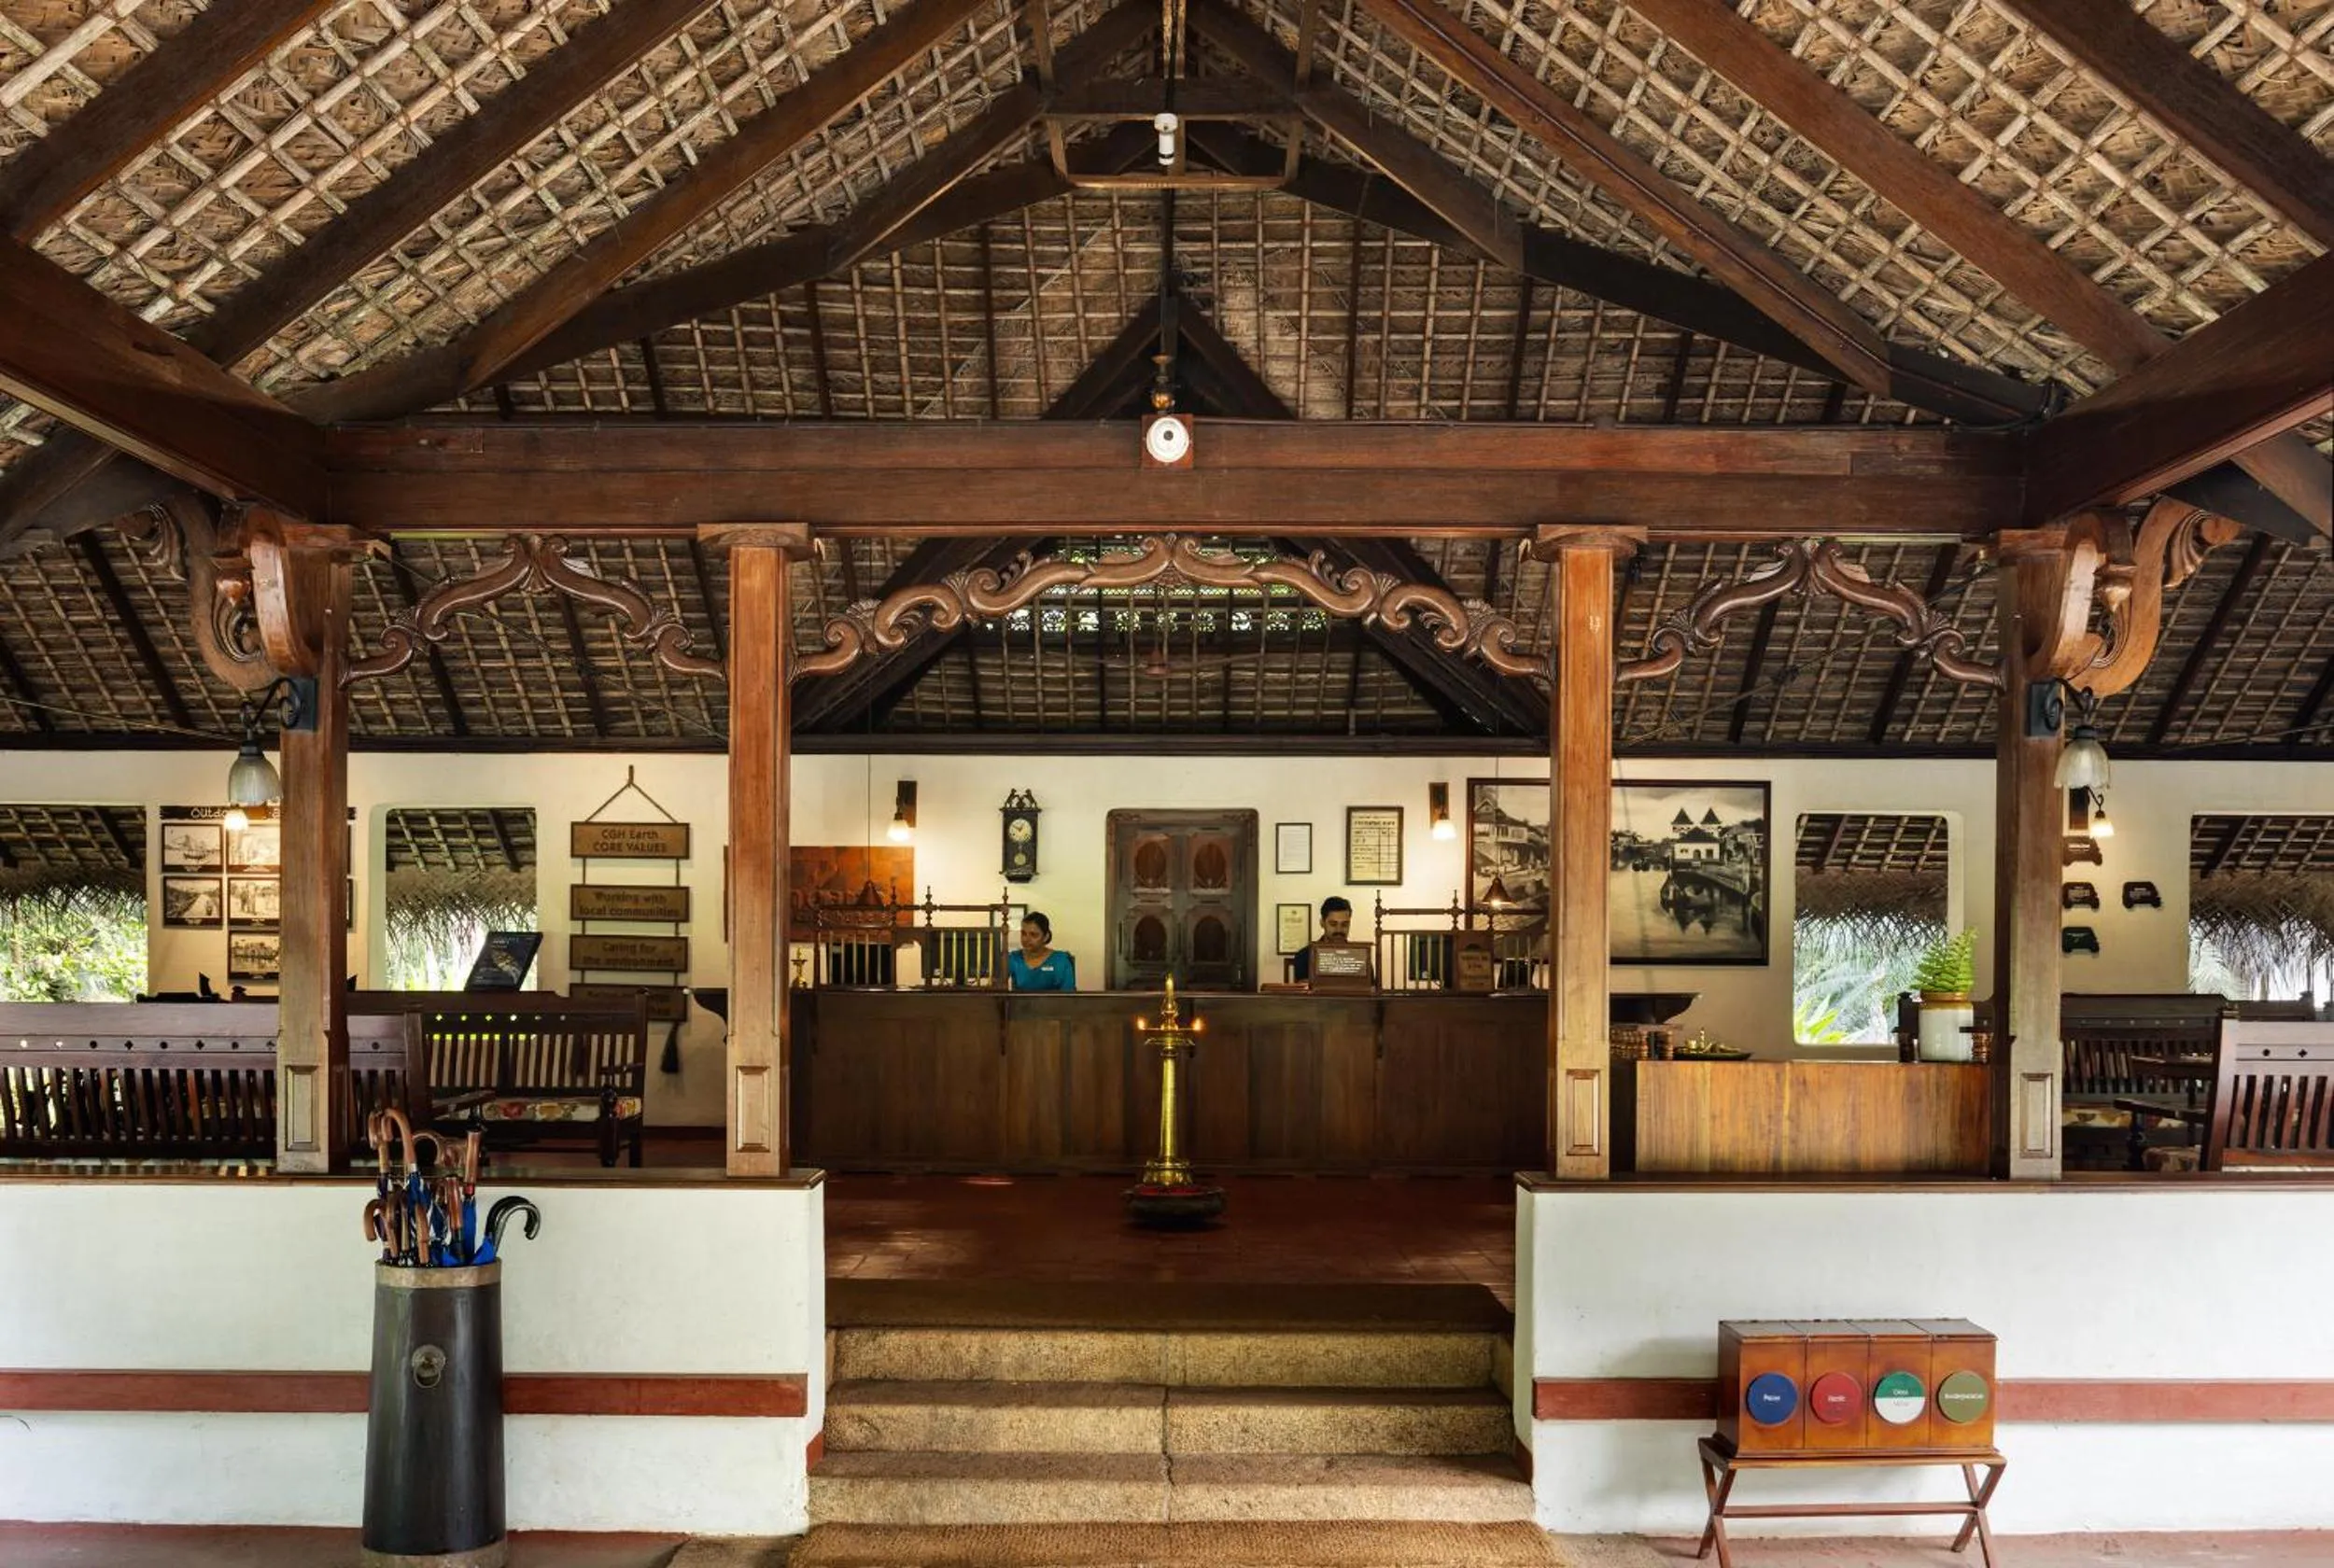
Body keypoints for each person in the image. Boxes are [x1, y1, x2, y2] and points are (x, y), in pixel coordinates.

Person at [1288, 895, 1354, 983]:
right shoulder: (1304, 956)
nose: (1339, 930)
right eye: (1333, 924)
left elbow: (1371, 991)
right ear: (1322, 923)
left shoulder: (1361, 956)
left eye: (1344, 924)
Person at [1007, 912, 1076, 991]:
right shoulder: (1014, 958)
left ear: (1046, 937)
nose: (1026, 939)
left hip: (1054, 1003)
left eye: (1033, 935)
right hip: (1021, 1003)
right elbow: (997, 987)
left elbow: (1069, 997)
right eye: (1023, 933)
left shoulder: (1060, 961)